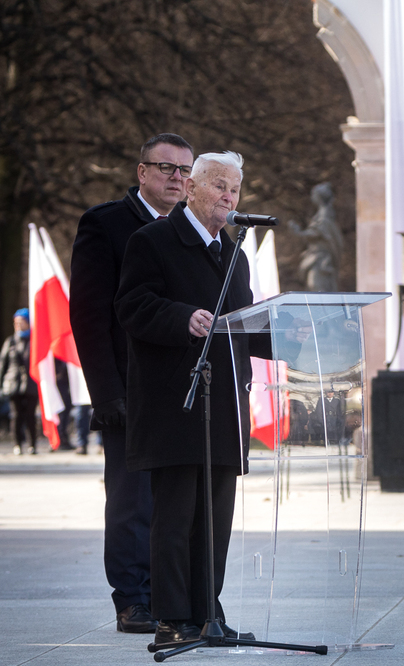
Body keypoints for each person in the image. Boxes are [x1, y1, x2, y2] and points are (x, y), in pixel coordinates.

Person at [115, 151, 260, 645]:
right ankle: (172, 618)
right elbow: (132, 306)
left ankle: (207, 614)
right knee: (176, 518)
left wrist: (298, 337)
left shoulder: (234, 255)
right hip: (176, 401)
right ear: (192, 189)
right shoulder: (152, 241)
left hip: (223, 408)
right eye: (219, 185)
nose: (228, 196)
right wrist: (182, 318)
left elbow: (245, 327)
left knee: (216, 522)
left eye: (236, 189)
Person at [70, 133, 194, 633]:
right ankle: (132, 600)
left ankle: (175, 597)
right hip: (128, 392)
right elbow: (89, 316)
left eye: (185, 171)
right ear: (141, 172)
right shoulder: (106, 224)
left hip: (184, 391)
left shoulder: (194, 230)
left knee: (175, 503)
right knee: (131, 501)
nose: (176, 179)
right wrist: (106, 393)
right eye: (165, 168)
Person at [1, 309, 38, 455]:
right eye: (15, 322)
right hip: (13, 383)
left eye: (21, 322)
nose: (18, 325)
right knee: (16, 416)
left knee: (30, 415)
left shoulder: (35, 340)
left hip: (31, 383)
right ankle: (17, 444)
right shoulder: (10, 341)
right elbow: (3, 363)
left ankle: (32, 444)